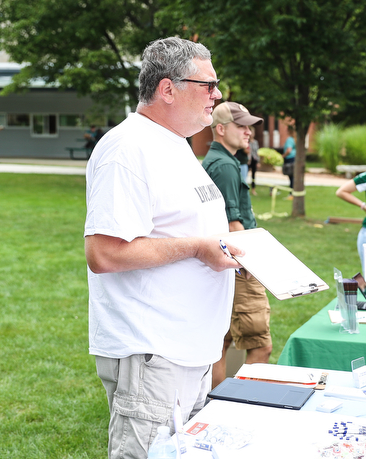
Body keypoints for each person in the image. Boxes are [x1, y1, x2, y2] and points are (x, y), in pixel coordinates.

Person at [84, 37, 242, 459]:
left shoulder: (175, 144)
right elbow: (105, 253)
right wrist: (196, 248)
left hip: (191, 352)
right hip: (154, 354)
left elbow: (187, 227)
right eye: (208, 85)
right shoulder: (127, 148)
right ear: (167, 89)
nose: (218, 94)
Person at [202, 101, 272, 388]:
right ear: (220, 129)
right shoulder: (226, 167)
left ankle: (215, 406)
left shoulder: (219, 161)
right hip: (240, 265)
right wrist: (263, 264)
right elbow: (234, 226)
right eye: (241, 126)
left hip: (226, 265)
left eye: (250, 127)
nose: (249, 132)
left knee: (222, 341)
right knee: (260, 345)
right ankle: (240, 405)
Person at [282, 128, 296, 195]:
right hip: (293, 159)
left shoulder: (289, 139)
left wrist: (283, 155)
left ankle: (291, 193)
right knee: (292, 177)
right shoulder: (293, 139)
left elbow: (289, 150)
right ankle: (292, 192)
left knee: (291, 177)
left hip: (290, 159)